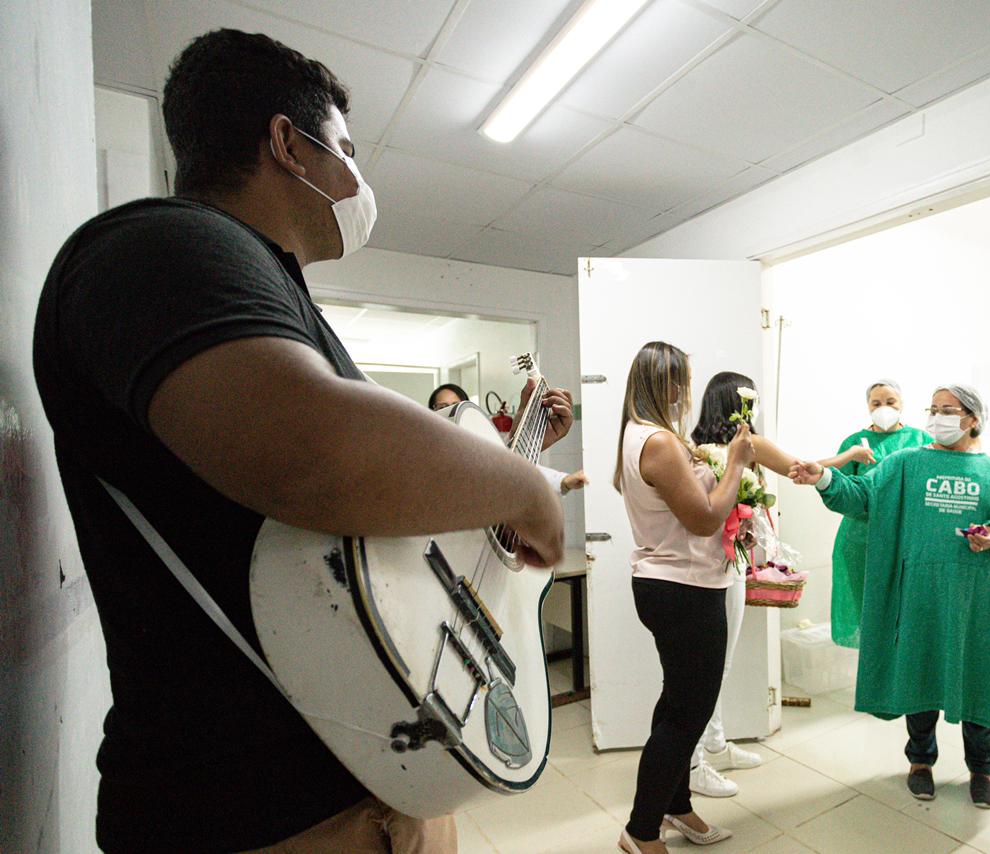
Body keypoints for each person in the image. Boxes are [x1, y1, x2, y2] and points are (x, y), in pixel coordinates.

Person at [32, 29, 575, 853]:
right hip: (254, 814)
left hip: (376, 778)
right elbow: (315, 455)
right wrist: (522, 485)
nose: (359, 177)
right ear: (288, 143)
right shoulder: (161, 243)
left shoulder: (278, 298)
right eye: (348, 150)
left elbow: (370, 519)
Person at [790, 384, 990, 809]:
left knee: (978, 679)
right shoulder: (906, 463)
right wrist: (826, 477)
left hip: (976, 599)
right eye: (934, 409)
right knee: (920, 675)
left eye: (950, 410)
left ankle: (982, 768)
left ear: (973, 419)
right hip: (919, 594)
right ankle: (920, 763)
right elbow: (861, 496)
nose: (939, 417)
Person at [616, 344, 752, 853]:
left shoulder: (639, 436)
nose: (689, 391)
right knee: (687, 715)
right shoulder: (658, 442)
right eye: (685, 382)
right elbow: (704, 518)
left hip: (670, 584)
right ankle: (641, 829)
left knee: (677, 702)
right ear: (672, 385)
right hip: (684, 589)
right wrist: (735, 464)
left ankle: (675, 806)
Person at [685, 371, 807, 798]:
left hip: (723, 563)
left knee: (720, 661)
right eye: (748, 400)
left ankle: (714, 742)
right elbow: (798, 469)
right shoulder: (727, 450)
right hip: (711, 570)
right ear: (737, 403)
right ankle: (696, 759)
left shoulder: (700, 448)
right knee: (712, 665)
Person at [827, 380, 933, 649]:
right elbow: (839, 490)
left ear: (902, 405)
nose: (883, 408)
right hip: (862, 540)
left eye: (890, 402)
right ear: (868, 407)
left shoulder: (922, 440)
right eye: (876, 403)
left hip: (909, 539)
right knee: (869, 615)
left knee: (907, 613)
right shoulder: (854, 444)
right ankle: (875, 674)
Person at [429, 382, 586, 495]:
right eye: (443, 408)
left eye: (455, 406)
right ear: (431, 412)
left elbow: (507, 468)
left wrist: (563, 481)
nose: (450, 412)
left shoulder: (478, 447)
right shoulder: (424, 452)